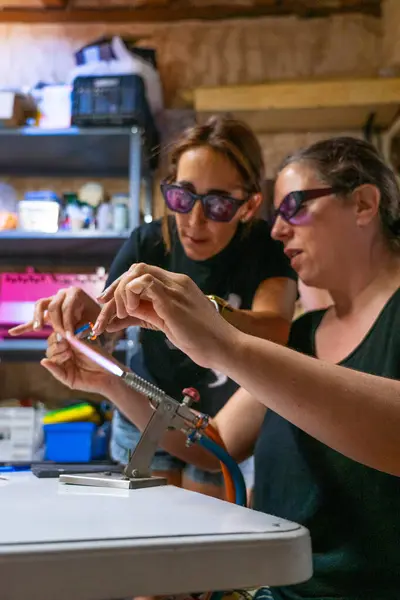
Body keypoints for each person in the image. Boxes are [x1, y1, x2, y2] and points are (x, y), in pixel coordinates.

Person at [41, 135, 400, 600]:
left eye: (293, 206)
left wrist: (225, 344)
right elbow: (216, 445)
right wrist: (108, 379)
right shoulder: (306, 335)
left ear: (365, 204)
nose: (277, 230)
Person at [10, 115, 297, 500]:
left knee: (205, 533)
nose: (194, 221)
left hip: (225, 417)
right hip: (145, 408)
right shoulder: (148, 243)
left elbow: (277, 328)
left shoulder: (264, 249)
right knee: (149, 529)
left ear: (249, 205)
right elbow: (105, 327)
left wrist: (202, 310)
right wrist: (84, 328)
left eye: (217, 205)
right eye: (182, 197)